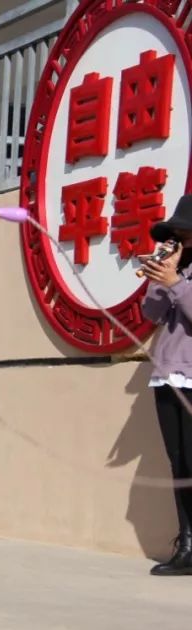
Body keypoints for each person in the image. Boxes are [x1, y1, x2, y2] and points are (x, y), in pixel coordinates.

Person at [141, 194, 192, 576]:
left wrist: (176, 283)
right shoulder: (175, 270)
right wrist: (159, 278)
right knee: (179, 464)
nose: (178, 241)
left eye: (185, 235)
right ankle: (187, 545)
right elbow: (152, 315)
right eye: (175, 235)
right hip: (167, 373)